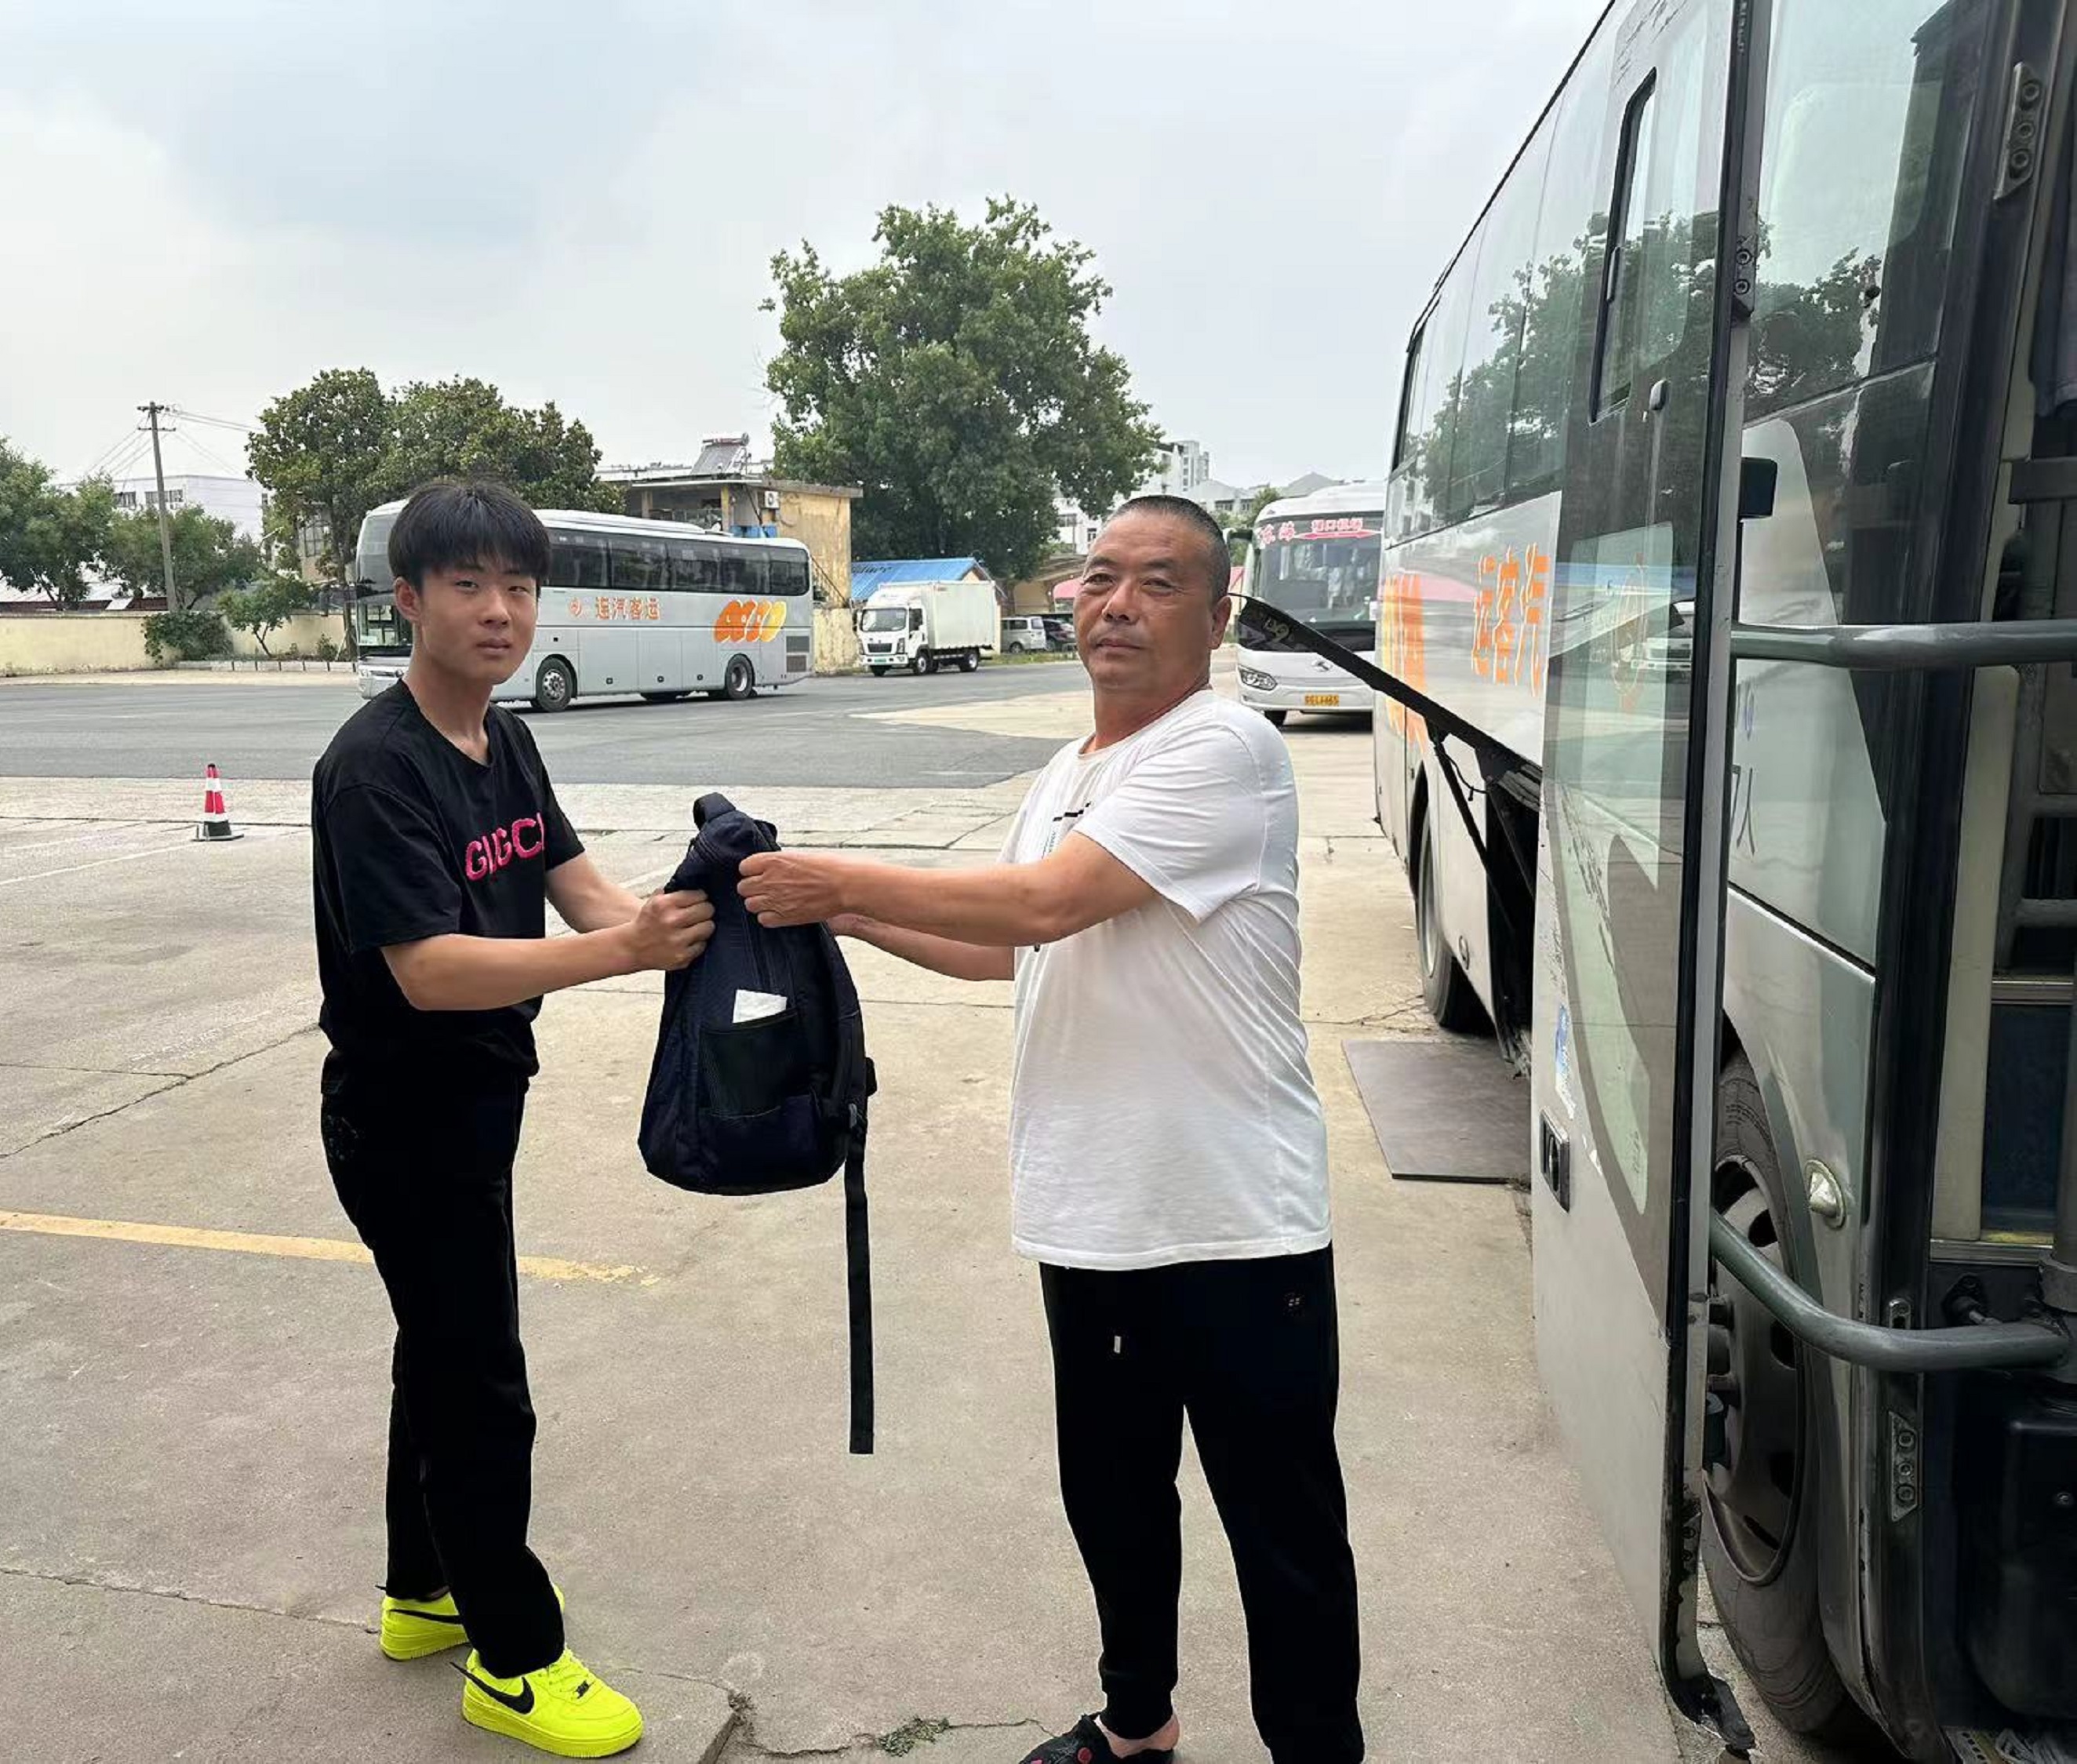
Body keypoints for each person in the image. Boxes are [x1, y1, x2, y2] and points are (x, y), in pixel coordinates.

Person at [737, 495, 1362, 1763]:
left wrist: (838, 874)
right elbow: (1009, 947)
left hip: (1234, 1224)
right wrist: (837, 919)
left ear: (1219, 616)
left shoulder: (1227, 748)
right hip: (1093, 1214)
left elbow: (1044, 903)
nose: (1117, 603)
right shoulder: (1068, 773)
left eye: (1159, 582)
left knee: (1281, 1530)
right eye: (1099, 576)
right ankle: (1138, 1724)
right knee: (1114, 1500)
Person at [311, 478, 712, 1756]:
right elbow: (428, 969)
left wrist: (680, 929)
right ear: (408, 598)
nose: (500, 610)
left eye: (521, 587)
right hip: (404, 1118)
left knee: (438, 1352)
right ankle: (514, 1656)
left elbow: (575, 881)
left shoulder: (507, 739)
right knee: (481, 1382)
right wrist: (624, 953)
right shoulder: (375, 767)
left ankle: (422, 1589)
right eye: (470, 584)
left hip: (482, 1103)